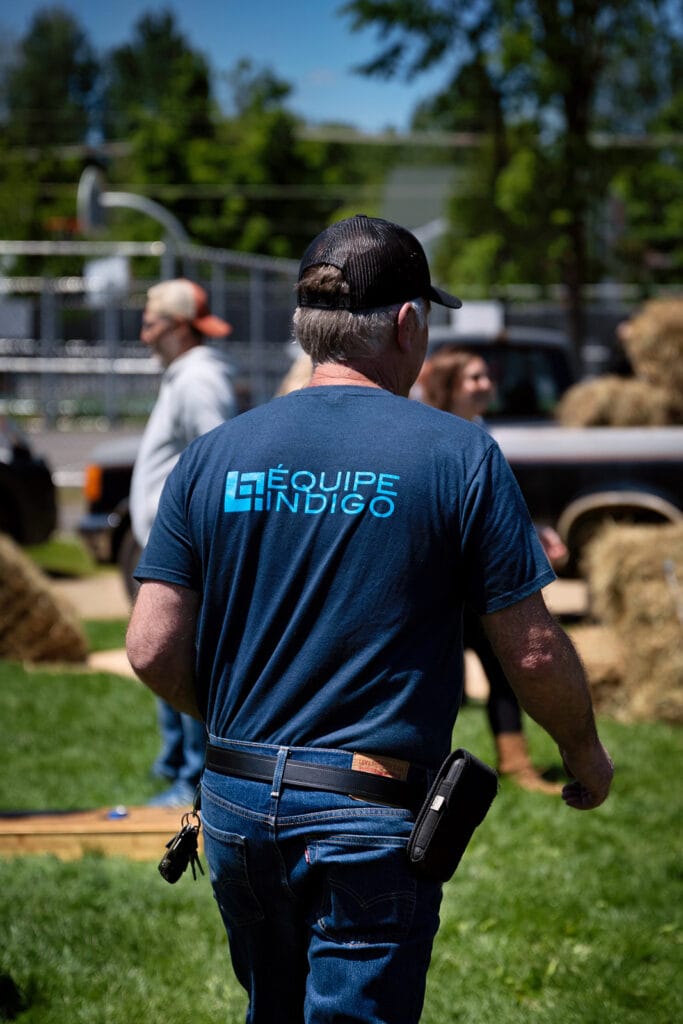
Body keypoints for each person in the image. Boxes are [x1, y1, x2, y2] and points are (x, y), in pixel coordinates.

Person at [126, 215, 613, 1023]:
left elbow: (148, 648)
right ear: (407, 323)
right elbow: (528, 652)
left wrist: (246, 726)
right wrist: (583, 752)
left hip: (236, 806)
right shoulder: (458, 455)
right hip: (366, 819)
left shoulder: (213, 455)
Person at [417, 344, 568, 793]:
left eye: (487, 377)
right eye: (475, 378)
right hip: (439, 584)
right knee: (430, 680)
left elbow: (499, 507)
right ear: (449, 386)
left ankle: (517, 764)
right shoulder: (430, 436)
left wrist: (535, 533)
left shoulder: (482, 432)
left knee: (502, 670)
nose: (487, 386)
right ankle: (419, 772)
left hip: (479, 581)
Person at [128, 277, 236, 808]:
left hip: (190, 555)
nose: (144, 335)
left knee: (181, 659)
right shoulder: (182, 376)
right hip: (174, 551)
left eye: (150, 324)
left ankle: (193, 777)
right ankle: (175, 765)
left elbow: (221, 461)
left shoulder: (197, 380)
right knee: (167, 653)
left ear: (174, 328)